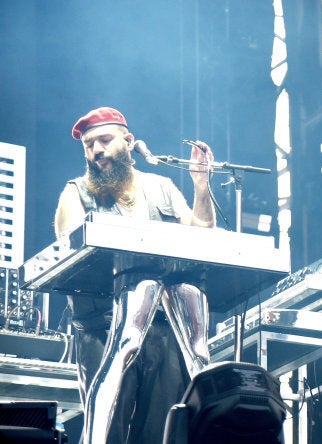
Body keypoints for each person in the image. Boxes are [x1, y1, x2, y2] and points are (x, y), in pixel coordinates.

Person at [54, 107, 217, 444]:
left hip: (163, 327)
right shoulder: (77, 191)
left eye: (104, 140)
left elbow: (203, 233)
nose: (96, 150)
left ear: (128, 142)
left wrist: (202, 187)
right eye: (88, 145)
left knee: (161, 430)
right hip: (103, 326)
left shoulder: (162, 186)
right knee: (107, 428)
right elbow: (72, 249)